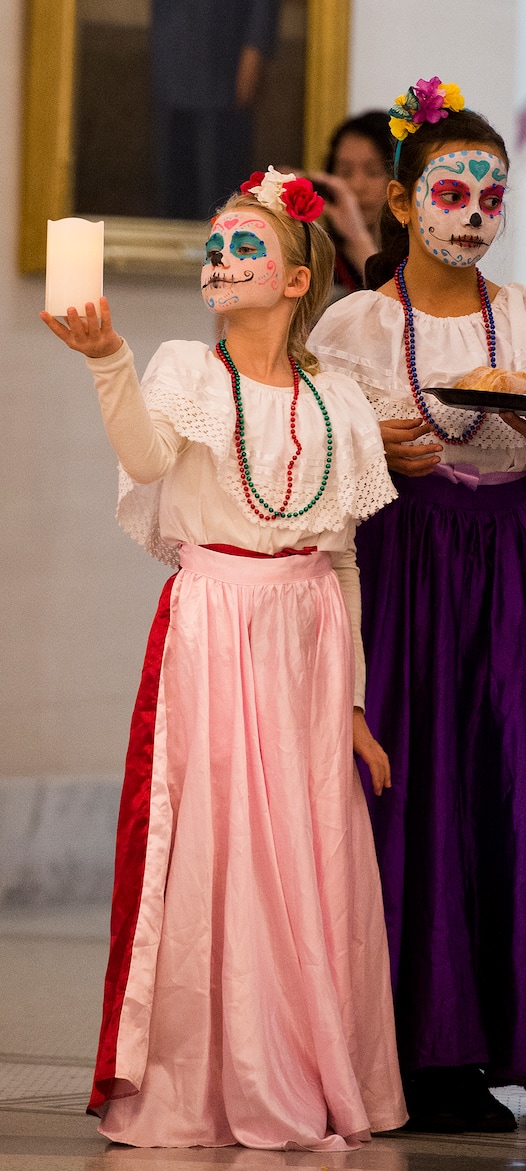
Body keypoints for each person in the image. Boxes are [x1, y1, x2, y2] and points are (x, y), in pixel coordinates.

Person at [40, 166, 407, 1150]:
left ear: (296, 282)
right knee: (213, 848)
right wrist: (108, 357)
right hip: (215, 623)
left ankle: (310, 1055)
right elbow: (153, 459)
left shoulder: (339, 399)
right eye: (216, 240)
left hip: (309, 638)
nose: (221, 255)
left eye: (247, 245)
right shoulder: (183, 370)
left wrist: (355, 706)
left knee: (308, 850)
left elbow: (342, 557)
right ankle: (208, 1073)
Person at [308, 77, 526, 1133]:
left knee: (515, 793)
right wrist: (365, 449)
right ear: (402, 204)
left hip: (505, 570)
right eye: (451, 187)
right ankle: (403, 1049)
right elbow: (316, 482)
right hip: (400, 571)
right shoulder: (352, 324)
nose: (473, 210)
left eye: (491, 192)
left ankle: (523, 1038)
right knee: (409, 793)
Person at [150, 0, 281, 219]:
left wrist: (255, 50)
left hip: (223, 62)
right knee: (174, 186)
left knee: (219, 185)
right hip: (172, 60)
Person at [309, 111, 393, 299]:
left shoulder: (419, 252)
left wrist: (357, 240)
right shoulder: (317, 255)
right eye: (345, 172)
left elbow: (409, 317)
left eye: (372, 172)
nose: (357, 186)